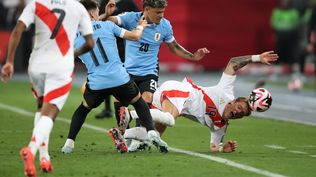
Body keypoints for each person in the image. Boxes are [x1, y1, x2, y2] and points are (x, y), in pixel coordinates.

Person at [61, 0, 168, 155]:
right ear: (92, 13)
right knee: (138, 102)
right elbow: (135, 36)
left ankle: (69, 145)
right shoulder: (108, 26)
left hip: (97, 82)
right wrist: (140, 26)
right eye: (98, 12)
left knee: (82, 110)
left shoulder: (72, 36)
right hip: (119, 78)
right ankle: (151, 132)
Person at [0, 0, 94, 176]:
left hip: (36, 65)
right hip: (60, 66)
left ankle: (45, 157)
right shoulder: (78, 8)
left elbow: (18, 29)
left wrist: (10, 62)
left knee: (41, 107)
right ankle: (31, 148)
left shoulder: (36, 4)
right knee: (50, 113)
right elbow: (90, 43)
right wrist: (73, 54)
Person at [121, 51, 278, 153]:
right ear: (233, 101)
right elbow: (233, 63)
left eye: (241, 114)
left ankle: (123, 136)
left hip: (174, 102)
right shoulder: (226, 91)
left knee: (151, 135)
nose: (237, 112)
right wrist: (257, 58)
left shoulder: (220, 126)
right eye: (239, 107)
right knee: (170, 120)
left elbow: (214, 147)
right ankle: (130, 114)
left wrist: (223, 149)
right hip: (181, 91)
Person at [101, 0, 210, 132]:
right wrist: (106, 14)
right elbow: (106, 22)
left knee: (146, 99)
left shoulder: (165, 25)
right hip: (128, 71)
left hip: (149, 72)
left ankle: (139, 137)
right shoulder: (131, 18)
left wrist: (193, 56)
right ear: (146, 9)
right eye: (158, 12)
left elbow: (174, 47)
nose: (162, 15)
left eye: (163, 11)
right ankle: (123, 134)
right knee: (119, 101)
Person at [93, 0, 140, 119]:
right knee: (106, 73)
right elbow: (96, 21)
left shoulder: (128, 4)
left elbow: (139, 18)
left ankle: (130, 103)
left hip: (122, 44)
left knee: (122, 74)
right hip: (105, 44)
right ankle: (108, 108)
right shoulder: (104, 3)